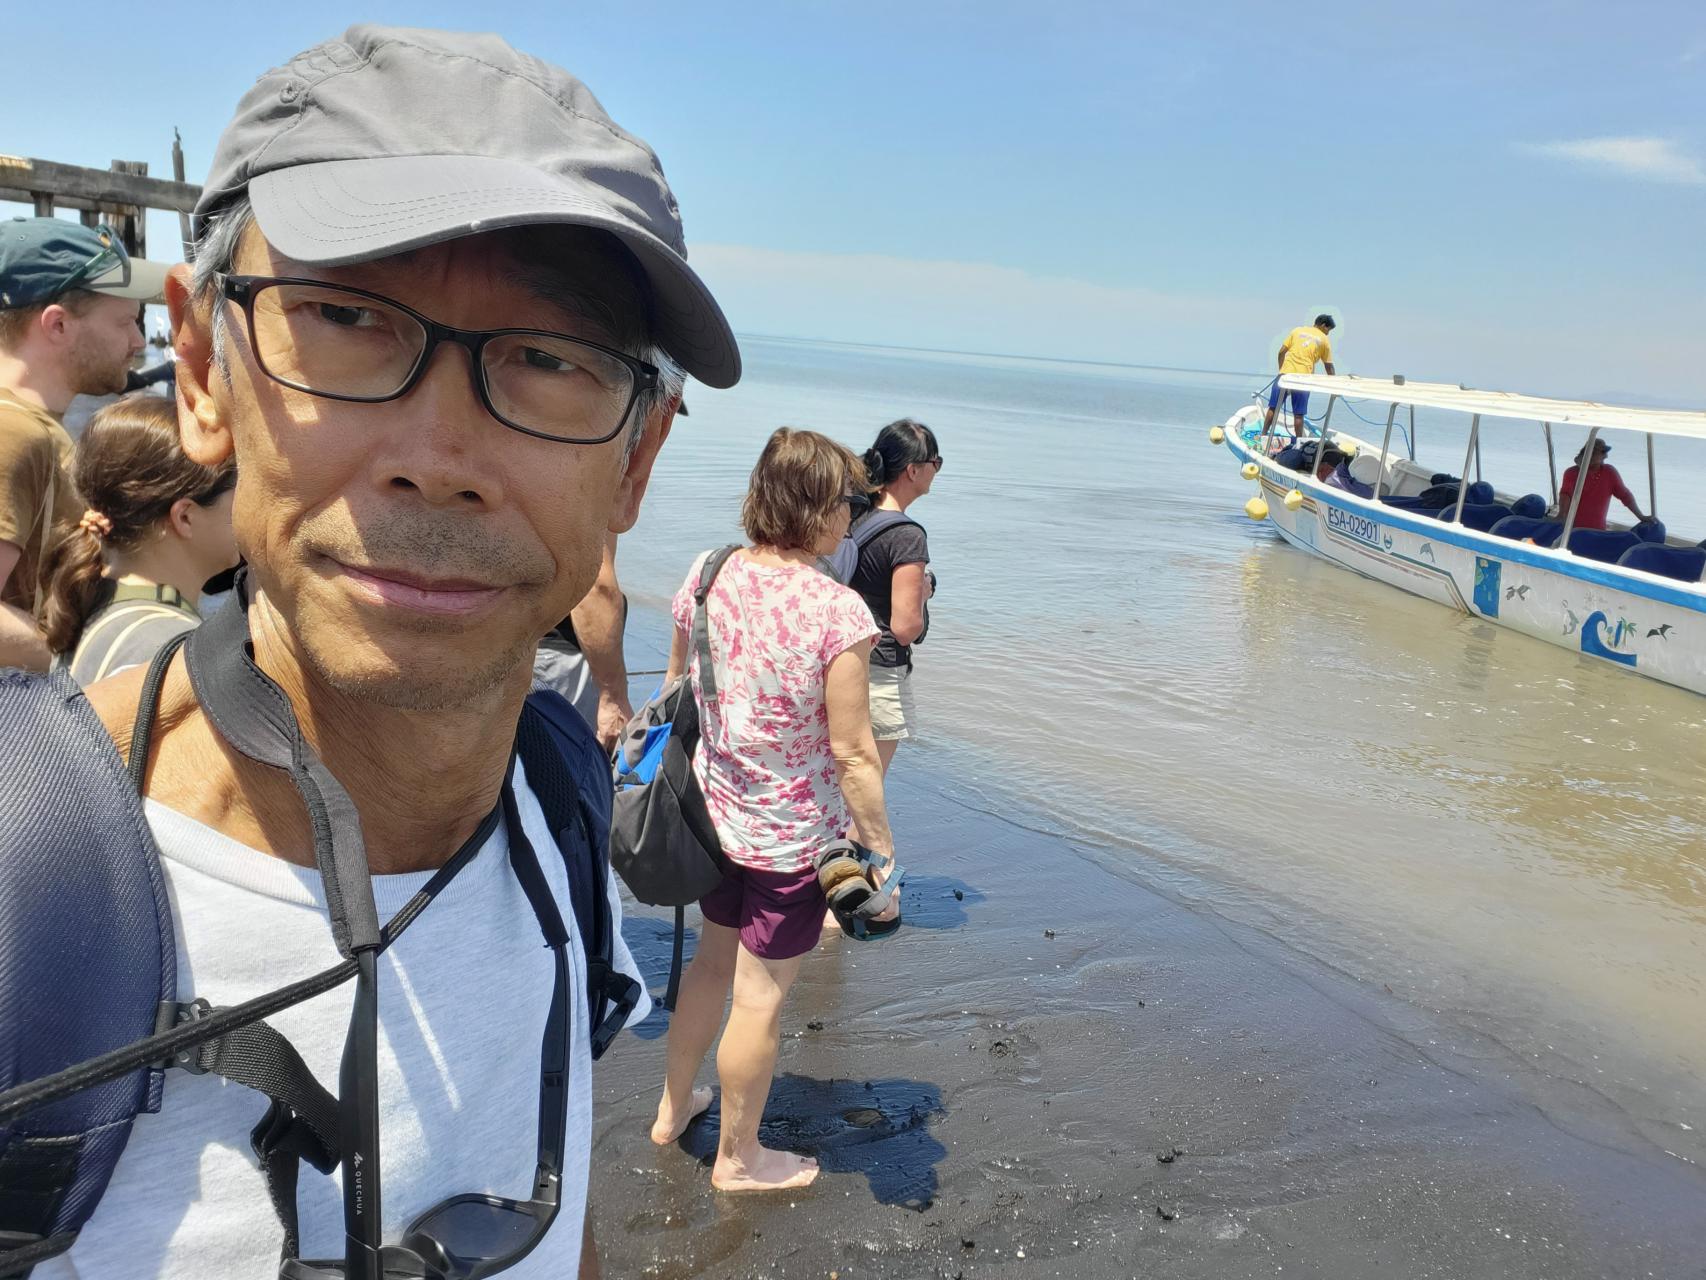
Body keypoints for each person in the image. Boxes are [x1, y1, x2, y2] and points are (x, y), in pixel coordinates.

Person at [12, 24, 741, 1279]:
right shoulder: (31, 880)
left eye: (550, 359)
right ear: (201, 370)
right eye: (346, 317)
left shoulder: (558, 811)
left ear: (637, 459)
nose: (437, 457)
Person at [649, 428, 897, 1192]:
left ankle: (670, 1111)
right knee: (758, 999)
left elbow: (674, 689)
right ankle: (738, 1158)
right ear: (820, 507)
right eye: (849, 502)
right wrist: (882, 852)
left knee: (708, 968)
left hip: (711, 818)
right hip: (792, 844)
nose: (852, 517)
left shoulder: (707, 570)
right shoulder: (838, 611)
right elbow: (854, 753)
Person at [0, 218, 163, 669]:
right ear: (57, 325)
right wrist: (86, 666)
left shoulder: (34, 426)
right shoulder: (14, 434)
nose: (138, 342)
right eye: (126, 322)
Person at [38, 394, 237, 684]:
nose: (247, 506)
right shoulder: (171, 651)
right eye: (237, 489)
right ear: (185, 517)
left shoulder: (91, 599)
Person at [848, 417, 940, 773]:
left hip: (838, 657)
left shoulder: (851, 513)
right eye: (936, 462)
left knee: (833, 778)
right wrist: (922, 594)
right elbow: (905, 627)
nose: (938, 470)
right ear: (914, 470)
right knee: (865, 783)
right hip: (879, 668)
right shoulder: (907, 536)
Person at [534, 530, 635, 748]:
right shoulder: (585, 495)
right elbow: (596, 586)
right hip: (560, 662)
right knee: (565, 771)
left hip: (521, 648)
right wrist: (613, 697)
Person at [1263, 313, 1337, 434]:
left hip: (1285, 376)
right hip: (1304, 379)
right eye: (1328, 330)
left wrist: (1282, 371)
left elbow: (1281, 352)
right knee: (1298, 415)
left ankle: (1263, 434)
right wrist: (1334, 384)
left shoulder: (1297, 331)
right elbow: (1328, 366)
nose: (1328, 333)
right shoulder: (1324, 339)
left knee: (1273, 408)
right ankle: (1299, 444)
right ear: (1324, 326)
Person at [1557, 438, 1647, 531]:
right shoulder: (1572, 473)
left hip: (1598, 532)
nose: (1606, 456)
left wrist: (1641, 517)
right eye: (1603, 452)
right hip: (1572, 531)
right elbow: (1565, 495)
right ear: (1590, 453)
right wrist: (1560, 515)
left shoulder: (1610, 472)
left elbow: (1625, 496)